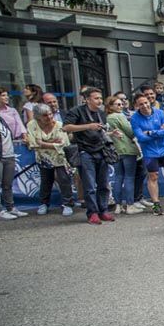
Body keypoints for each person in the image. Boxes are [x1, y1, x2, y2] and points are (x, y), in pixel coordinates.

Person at [62, 87, 115, 224]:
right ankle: (92, 213)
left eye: (100, 98)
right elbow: (65, 127)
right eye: (96, 98)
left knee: (104, 184)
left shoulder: (101, 113)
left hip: (101, 150)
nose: (100, 101)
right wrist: (87, 126)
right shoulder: (76, 111)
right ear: (87, 99)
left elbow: (100, 130)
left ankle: (103, 210)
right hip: (85, 151)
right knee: (89, 185)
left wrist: (111, 134)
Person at [131, 93, 164, 215]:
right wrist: (159, 131)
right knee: (153, 176)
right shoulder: (135, 118)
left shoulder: (160, 113)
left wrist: (150, 132)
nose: (145, 106)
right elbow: (141, 138)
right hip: (150, 152)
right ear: (137, 106)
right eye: (141, 104)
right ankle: (156, 204)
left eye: (146, 102)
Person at [26, 104, 76, 216]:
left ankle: (67, 204)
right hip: (43, 157)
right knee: (46, 181)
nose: (49, 117)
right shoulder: (32, 125)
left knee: (64, 179)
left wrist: (43, 143)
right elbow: (33, 144)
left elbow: (63, 144)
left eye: (50, 114)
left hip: (60, 157)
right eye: (45, 115)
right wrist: (52, 143)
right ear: (38, 117)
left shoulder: (59, 125)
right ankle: (44, 203)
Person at [105, 96, 143, 215]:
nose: (121, 106)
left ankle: (118, 205)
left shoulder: (107, 117)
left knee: (118, 177)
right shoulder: (119, 116)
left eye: (121, 104)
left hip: (115, 150)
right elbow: (130, 131)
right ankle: (130, 205)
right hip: (127, 149)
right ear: (111, 106)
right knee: (129, 177)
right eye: (118, 104)